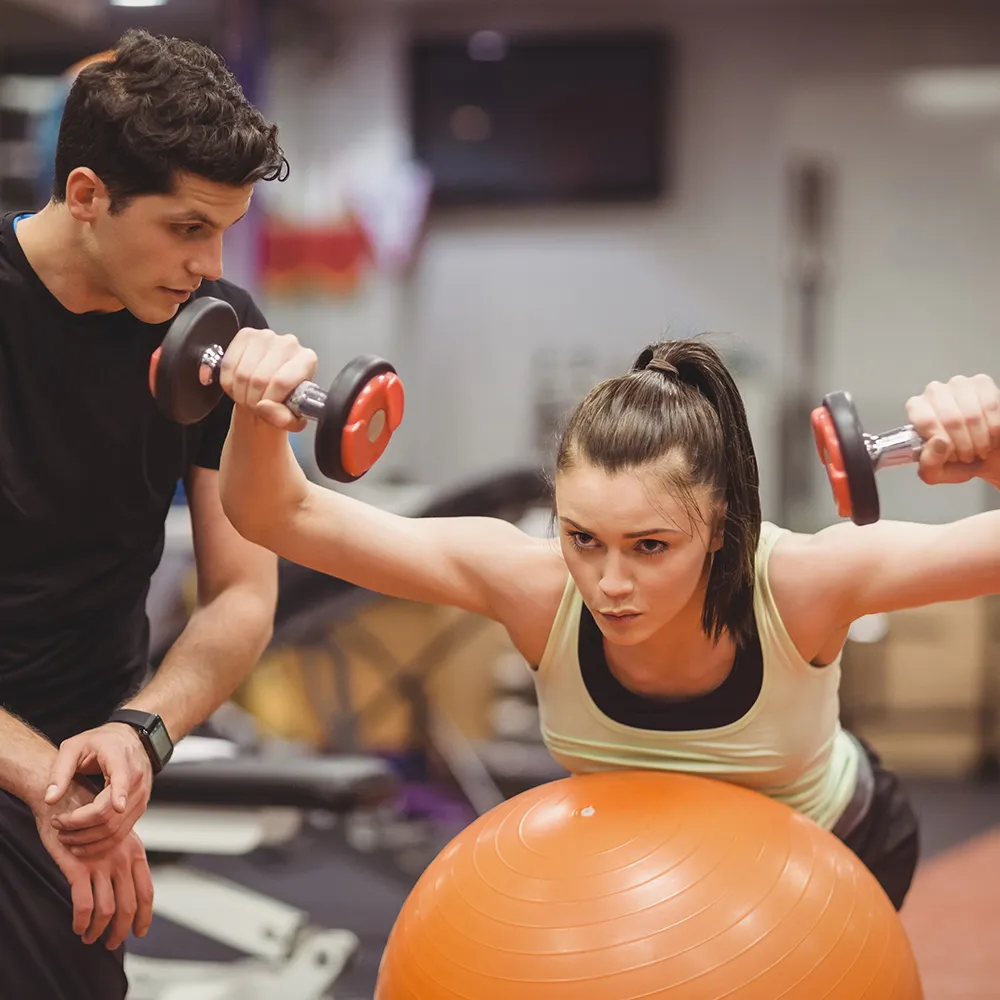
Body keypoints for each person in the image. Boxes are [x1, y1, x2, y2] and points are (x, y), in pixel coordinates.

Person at [216, 329, 1000, 913]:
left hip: (831, 857)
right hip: (639, 868)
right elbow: (279, 516)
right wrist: (257, 411)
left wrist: (992, 451)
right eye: (582, 537)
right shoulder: (532, 585)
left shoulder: (801, 584)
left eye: (651, 546)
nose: (609, 583)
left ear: (722, 527)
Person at [0, 30, 289, 999]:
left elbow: (244, 592)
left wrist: (140, 736)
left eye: (227, 232)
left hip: (87, 756)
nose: (210, 265)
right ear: (87, 195)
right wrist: (57, 776)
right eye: (187, 227)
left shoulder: (214, 330)